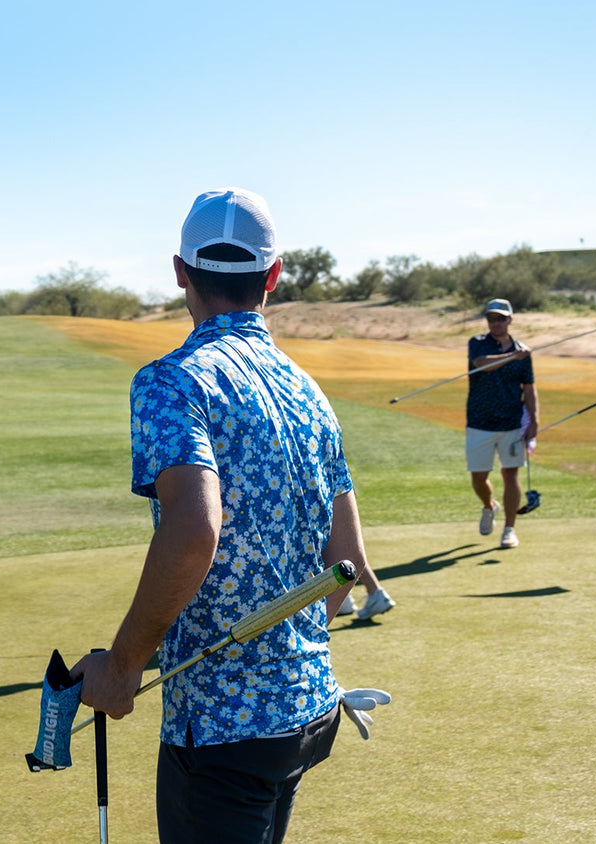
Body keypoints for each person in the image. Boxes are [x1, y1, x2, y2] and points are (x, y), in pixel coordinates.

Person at [71, 188, 376, 843]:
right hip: (305, 711)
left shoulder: (172, 379)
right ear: (274, 276)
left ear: (180, 272)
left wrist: (122, 668)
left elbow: (194, 528)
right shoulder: (310, 393)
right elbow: (345, 561)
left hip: (220, 734)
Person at [465, 298, 538, 549]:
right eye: (491, 319)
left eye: (500, 319)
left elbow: (529, 388)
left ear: (510, 320)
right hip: (479, 421)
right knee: (478, 478)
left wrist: (534, 421)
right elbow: (481, 364)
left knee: (510, 474)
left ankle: (509, 528)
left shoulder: (523, 352)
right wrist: (513, 356)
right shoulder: (477, 343)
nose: (495, 323)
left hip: (511, 423)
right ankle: (489, 505)